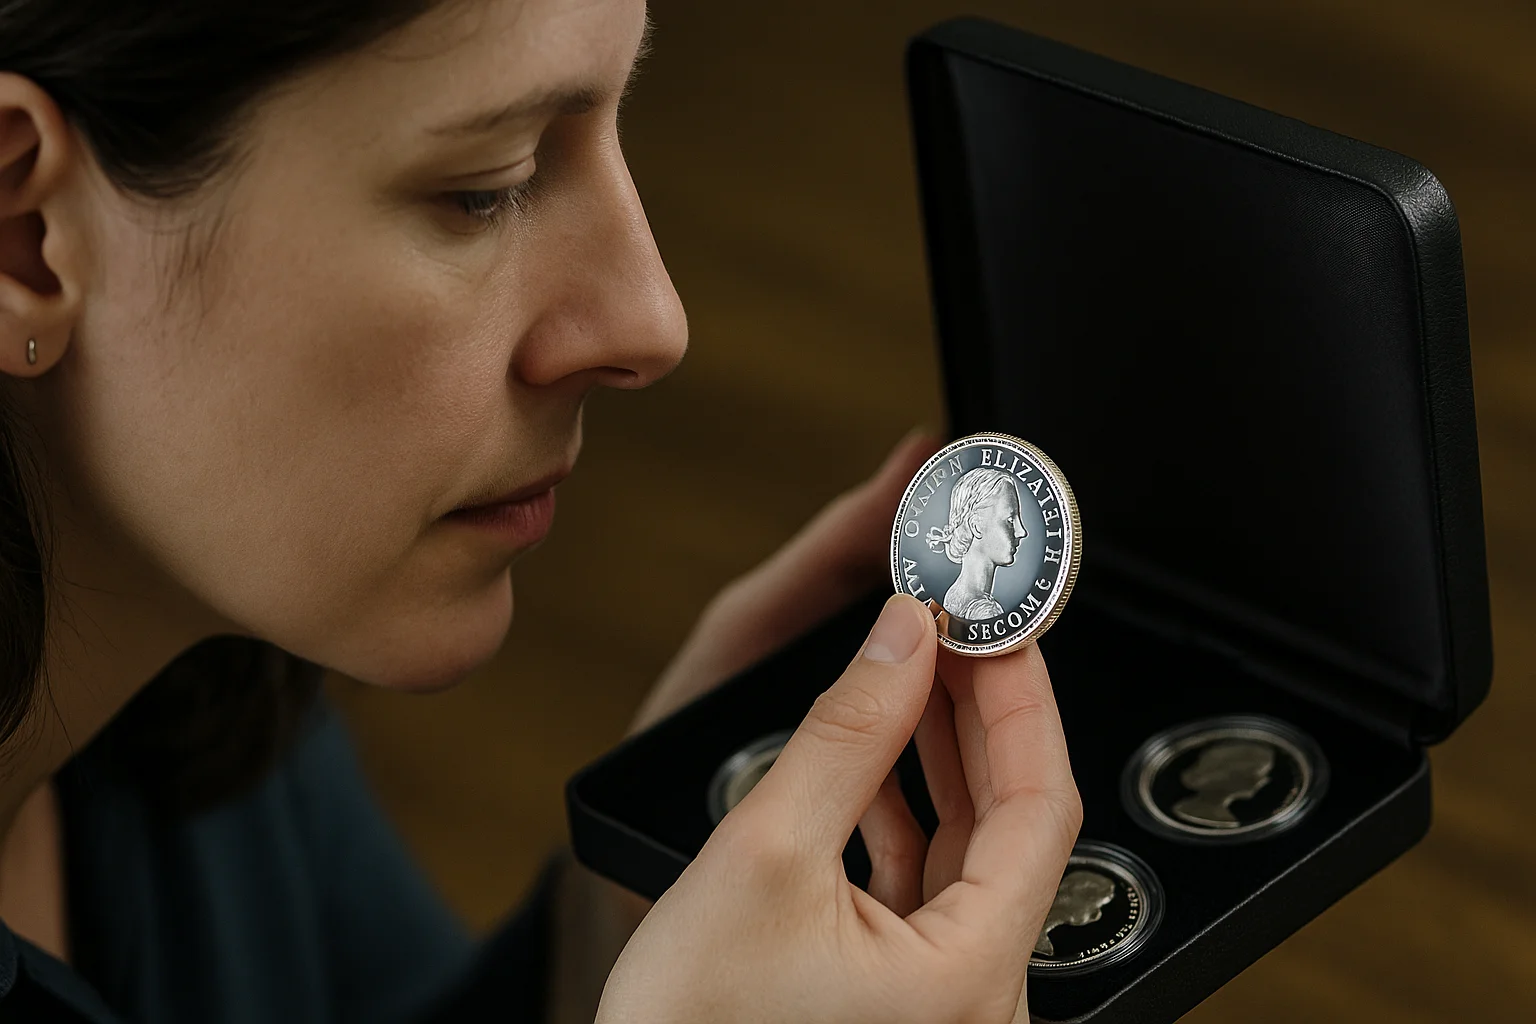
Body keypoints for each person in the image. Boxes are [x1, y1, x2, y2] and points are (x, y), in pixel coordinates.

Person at [0, 1, 1083, 1021]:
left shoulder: (209, 663)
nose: (653, 322)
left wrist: (618, 927)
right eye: (487, 184)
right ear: (25, 234)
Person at [926, 466, 1030, 620]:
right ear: (976, 526)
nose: (1022, 531)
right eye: (1010, 520)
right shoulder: (985, 612)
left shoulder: (954, 593)